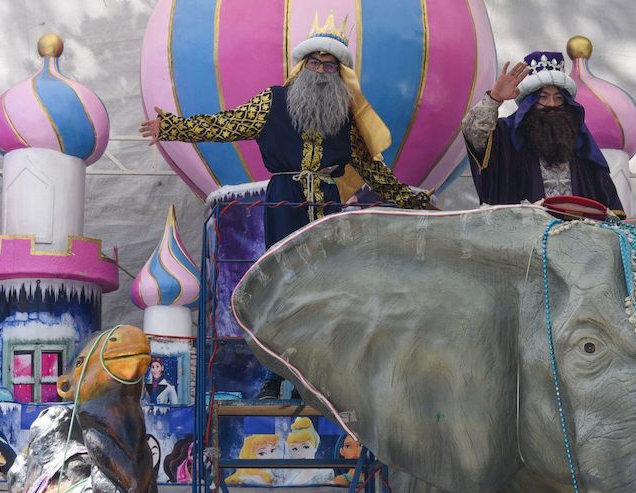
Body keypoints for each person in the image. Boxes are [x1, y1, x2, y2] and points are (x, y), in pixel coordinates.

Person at [140, 13, 431, 400]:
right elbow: (226, 124)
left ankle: (322, 375)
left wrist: (413, 198)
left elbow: (374, 173)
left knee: (327, 290)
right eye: (316, 62)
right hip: (284, 203)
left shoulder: (345, 117)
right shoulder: (272, 101)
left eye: (331, 66)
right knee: (281, 288)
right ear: (302, 65)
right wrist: (173, 128)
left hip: (326, 208)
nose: (323, 71)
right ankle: (276, 375)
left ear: (339, 72)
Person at [463, 51, 623, 212]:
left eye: (558, 98)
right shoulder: (508, 133)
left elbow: (605, 195)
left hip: (578, 231)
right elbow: (472, 131)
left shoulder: (579, 139)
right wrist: (495, 98)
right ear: (530, 102)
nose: (552, 104)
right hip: (523, 233)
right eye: (543, 97)